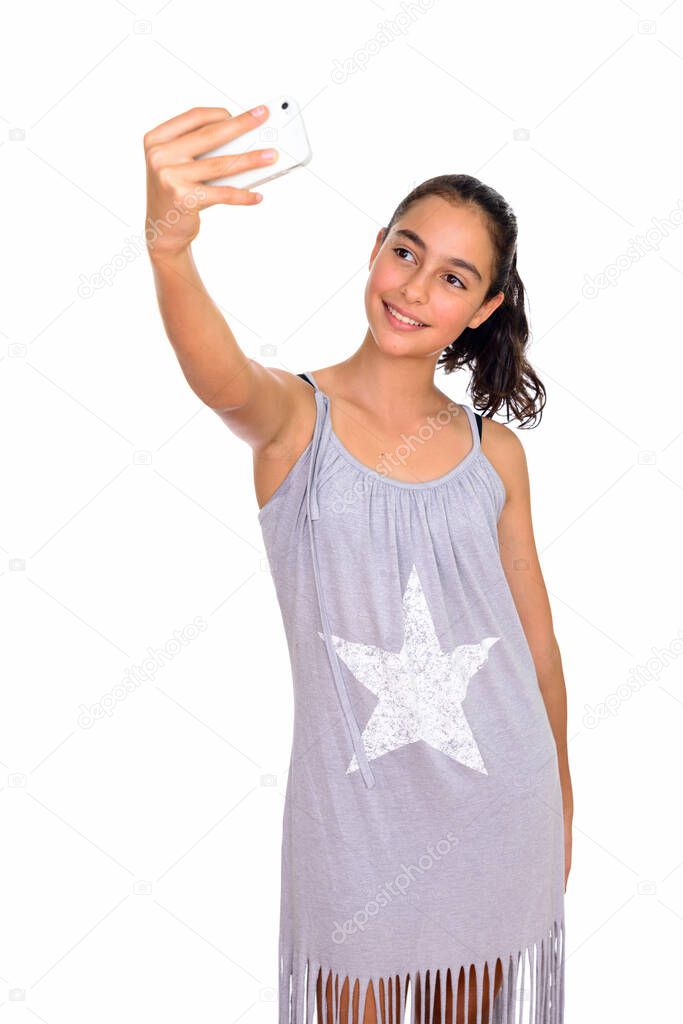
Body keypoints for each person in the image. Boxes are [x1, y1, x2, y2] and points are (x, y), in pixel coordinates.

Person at [144, 104, 573, 1024]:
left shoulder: (495, 454)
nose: (416, 288)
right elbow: (221, 376)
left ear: (484, 309)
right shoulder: (297, 422)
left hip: (501, 808)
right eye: (407, 252)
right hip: (355, 832)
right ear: (376, 246)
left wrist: (563, 804)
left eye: (455, 277)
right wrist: (170, 252)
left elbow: (536, 647)